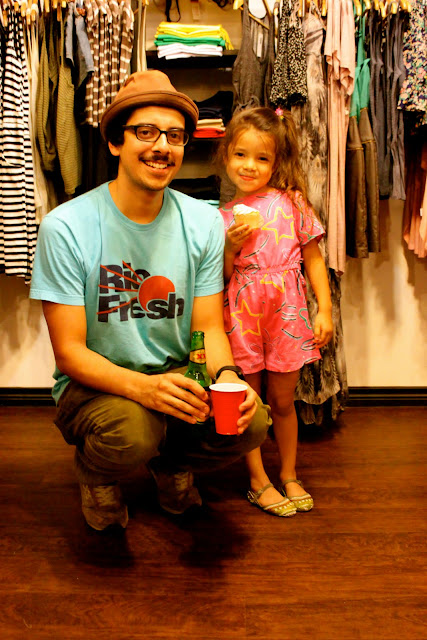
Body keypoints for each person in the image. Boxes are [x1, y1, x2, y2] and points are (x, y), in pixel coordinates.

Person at [29, 71, 271, 531]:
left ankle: (172, 463)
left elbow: (207, 327)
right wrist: (145, 389)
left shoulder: (203, 223)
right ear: (115, 142)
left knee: (252, 420)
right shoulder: (66, 227)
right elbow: (70, 352)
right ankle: (98, 475)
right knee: (131, 429)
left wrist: (228, 377)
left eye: (175, 136)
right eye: (146, 132)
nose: (162, 146)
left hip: (177, 374)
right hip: (94, 386)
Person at [216, 106, 333, 517]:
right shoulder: (220, 218)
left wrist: (324, 310)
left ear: (276, 162)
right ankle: (257, 479)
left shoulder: (293, 203)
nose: (249, 165)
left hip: (287, 313)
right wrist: (230, 246)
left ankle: (288, 473)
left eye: (261, 157)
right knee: (247, 401)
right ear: (226, 156)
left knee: (283, 400)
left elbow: (314, 259)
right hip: (242, 315)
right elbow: (222, 276)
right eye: (240, 155)